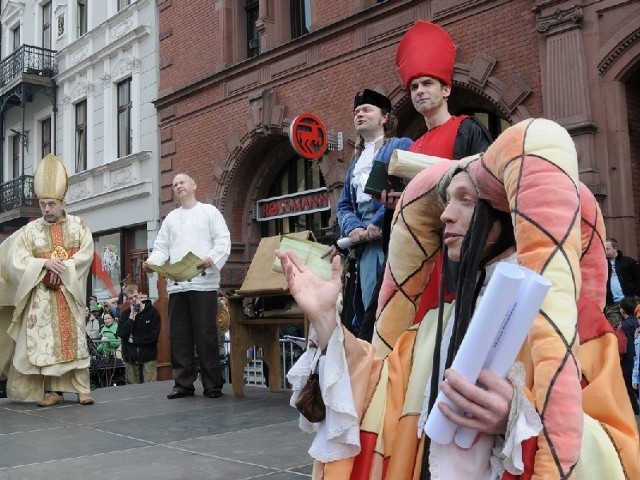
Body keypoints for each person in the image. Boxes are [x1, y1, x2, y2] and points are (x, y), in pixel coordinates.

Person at [278, 119, 640, 478]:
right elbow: (375, 395)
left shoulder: (581, 325)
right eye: (445, 203)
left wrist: (518, 418)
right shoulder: (437, 321)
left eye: (465, 200)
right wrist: (326, 319)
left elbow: (620, 452)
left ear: (508, 215)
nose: (446, 216)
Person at [370, 21, 493, 352]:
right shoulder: (412, 148)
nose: (420, 91)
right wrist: (393, 201)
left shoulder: (467, 129)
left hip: (455, 251)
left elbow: (483, 192)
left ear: (446, 90)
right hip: (420, 255)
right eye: (414, 87)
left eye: (427, 84)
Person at [0, 154, 95, 407]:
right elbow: (15, 259)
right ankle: (54, 391)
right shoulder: (30, 231)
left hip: (68, 293)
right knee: (48, 346)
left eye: (51, 204)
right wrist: (42, 263)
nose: (46, 209)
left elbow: (85, 254)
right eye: (43, 204)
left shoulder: (79, 226)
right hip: (41, 298)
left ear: (63, 203)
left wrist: (65, 267)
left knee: (74, 342)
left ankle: (83, 389)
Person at [144, 173, 231, 399]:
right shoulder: (171, 218)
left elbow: (223, 239)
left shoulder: (209, 212)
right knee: (179, 336)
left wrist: (211, 258)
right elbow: (161, 247)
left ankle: (213, 384)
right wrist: (152, 263)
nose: (178, 186)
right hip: (178, 285)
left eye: (182, 182)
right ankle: (183, 384)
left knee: (206, 335)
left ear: (194, 185)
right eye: (174, 185)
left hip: (203, 283)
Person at [336, 89, 412, 335]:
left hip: (392, 236)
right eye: (357, 111)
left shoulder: (401, 146)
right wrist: (355, 228)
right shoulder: (355, 162)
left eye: (367, 110)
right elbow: (344, 205)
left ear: (384, 118)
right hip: (364, 245)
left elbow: (407, 187)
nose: (360, 114)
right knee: (368, 305)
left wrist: (379, 222)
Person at [117, 284, 161, 383]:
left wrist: (134, 340)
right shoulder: (125, 315)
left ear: (140, 295)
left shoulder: (152, 312)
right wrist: (131, 318)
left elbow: (153, 336)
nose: (134, 300)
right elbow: (121, 333)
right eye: (130, 298)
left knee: (150, 388)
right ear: (127, 300)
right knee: (133, 391)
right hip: (131, 358)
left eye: (135, 296)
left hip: (148, 357)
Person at [605, 238, 640, 327]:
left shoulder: (628, 262)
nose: (605, 251)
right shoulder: (602, 264)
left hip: (630, 300)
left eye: (607, 248)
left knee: (636, 325)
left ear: (615, 248)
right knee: (617, 329)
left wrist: (636, 295)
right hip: (612, 304)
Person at [618, 296, 640, 414]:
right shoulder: (638, 322)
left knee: (631, 392)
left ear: (622, 311)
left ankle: (636, 414)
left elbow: (621, 348)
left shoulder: (622, 327)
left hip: (629, 365)